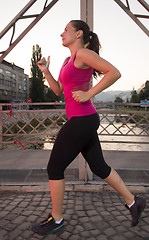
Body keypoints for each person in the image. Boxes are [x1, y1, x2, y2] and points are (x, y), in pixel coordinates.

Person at [32, 20, 146, 236]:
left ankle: (56, 220)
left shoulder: (83, 54)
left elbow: (114, 72)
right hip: (85, 118)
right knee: (99, 167)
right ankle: (134, 202)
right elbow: (58, 91)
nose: (61, 33)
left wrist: (89, 93)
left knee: (54, 168)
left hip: (82, 119)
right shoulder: (68, 60)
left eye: (66, 30)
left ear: (79, 34)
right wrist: (46, 71)